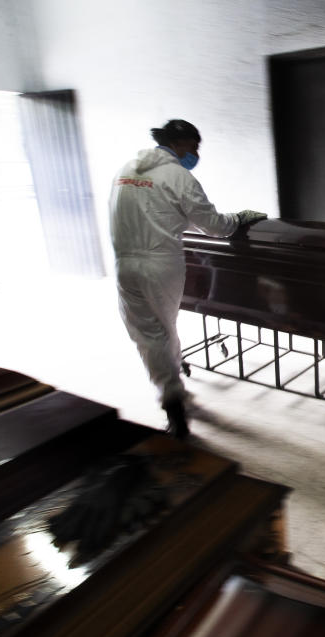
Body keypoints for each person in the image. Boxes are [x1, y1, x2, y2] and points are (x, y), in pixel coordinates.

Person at [109, 119, 266, 439]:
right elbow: (214, 225)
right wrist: (238, 219)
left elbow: (160, 215)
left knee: (147, 334)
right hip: (160, 265)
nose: (195, 154)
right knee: (161, 334)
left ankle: (173, 389)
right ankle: (174, 408)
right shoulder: (178, 176)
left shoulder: (126, 170)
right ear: (180, 144)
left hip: (125, 264)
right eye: (194, 147)